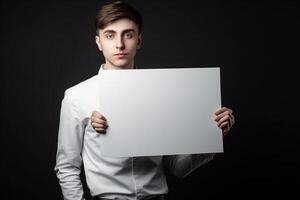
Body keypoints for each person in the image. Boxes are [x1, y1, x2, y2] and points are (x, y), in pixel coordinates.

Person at [55, 1, 235, 200]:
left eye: (128, 34)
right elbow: (66, 166)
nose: (120, 44)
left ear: (139, 40)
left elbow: (176, 168)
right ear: (98, 42)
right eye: (110, 35)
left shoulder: (162, 93)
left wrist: (211, 137)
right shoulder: (77, 96)